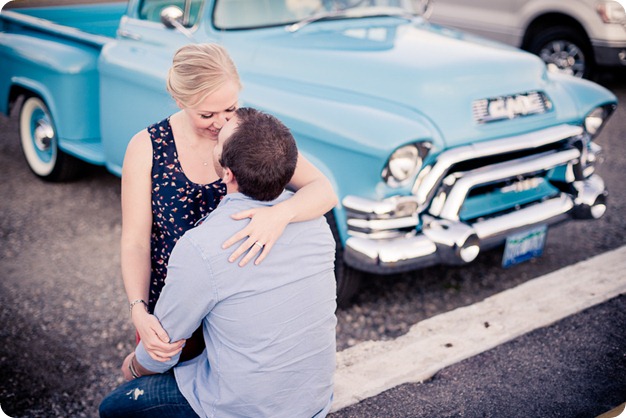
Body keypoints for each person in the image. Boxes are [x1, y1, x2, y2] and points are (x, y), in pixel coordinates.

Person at [100, 107, 337, 418]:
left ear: (227, 173)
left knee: (114, 408)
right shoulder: (317, 225)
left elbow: (163, 351)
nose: (219, 125)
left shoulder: (202, 247)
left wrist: (131, 365)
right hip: (313, 400)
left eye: (220, 139)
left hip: (247, 409)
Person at [121, 43, 338, 362]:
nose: (221, 123)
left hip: (242, 310)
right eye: (206, 114)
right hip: (177, 305)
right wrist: (138, 309)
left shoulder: (246, 133)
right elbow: (136, 241)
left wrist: (282, 213)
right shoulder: (147, 147)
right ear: (180, 100)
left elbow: (324, 190)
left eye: (229, 109)